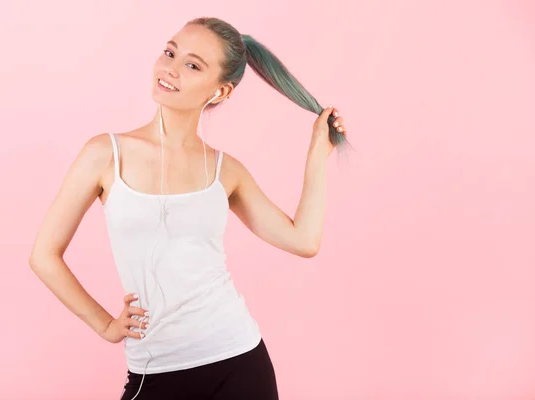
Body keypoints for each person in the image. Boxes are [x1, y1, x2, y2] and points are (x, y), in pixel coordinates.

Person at [29, 16, 347, 400]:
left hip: (240, 362)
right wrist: (106, 325)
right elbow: (44, 256)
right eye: (170, 52)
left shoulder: (224, 170)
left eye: (192, 65)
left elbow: (304, 239)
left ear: (219, 92)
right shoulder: (104, 154)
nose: (170, 69)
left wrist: (317, 153)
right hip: (157, 371)